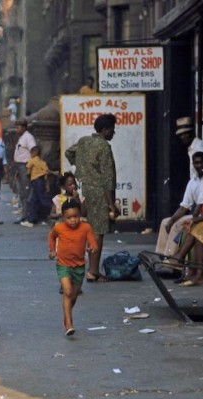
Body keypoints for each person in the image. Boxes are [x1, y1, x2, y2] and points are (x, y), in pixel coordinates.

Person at [65, 113, 119, 283]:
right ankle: (93, 271)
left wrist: (81, 167)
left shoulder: (83, 141)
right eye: (112, 129)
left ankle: (90, 269)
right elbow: (107, 179)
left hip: (83, 190)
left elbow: (69, 153)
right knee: (98, 233)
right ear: (104, 130)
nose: (113, 133)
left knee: (87, 230)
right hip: (98, 193)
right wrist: (111, 205)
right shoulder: (104, 147)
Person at [48, 198, 98, 336]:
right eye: (69, 217)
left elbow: (93, 242)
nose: (73, 220)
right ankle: (69, 323)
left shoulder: (85, 227)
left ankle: (67, 314)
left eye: (76, 216)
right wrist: (52, 250)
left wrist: (93, 247)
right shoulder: (59, 228)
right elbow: (51, 237)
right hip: (63, 265)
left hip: (79, 267)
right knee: (68, 291)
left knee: (73, 296)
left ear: (80, 215)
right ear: (63, 217)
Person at [155, 152, 203, 258]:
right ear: (193, 164)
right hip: (195, 213)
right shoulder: (193, 181)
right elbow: (184, 206)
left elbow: (202, 205)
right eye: (197, 163)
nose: (200, 165)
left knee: (178, 225)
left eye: (202, 162)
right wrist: (172, 219)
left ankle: (171, 258)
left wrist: (183, 220)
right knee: (165, 222)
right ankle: (161, 255)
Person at [21, 145, 53, 227]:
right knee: (34, 200)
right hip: (41, 181)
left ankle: (54, 208)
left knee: (41, 199)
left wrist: (28, 176)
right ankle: (32, 219)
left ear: (34, 153)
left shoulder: (32, 160)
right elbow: (46, 173)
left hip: (35, 181)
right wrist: (47, 185)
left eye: (31, 153)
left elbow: (28, 172)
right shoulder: (43, 162)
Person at [12, 118, 37, 223]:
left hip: (25, 166)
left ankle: (28, 216)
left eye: (18, 128)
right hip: (19, 167)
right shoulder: (22, 138)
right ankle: (24, 215)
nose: (16, 130)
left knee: (27, 192)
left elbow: (34, 150)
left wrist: (30, 166)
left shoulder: (28, 137)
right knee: (22, 192)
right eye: (16, 128)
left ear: (24, 128)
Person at [175, 116, 203, 181]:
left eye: (185, 133)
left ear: (192, 132)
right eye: (181, 134)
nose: (182, 137)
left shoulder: (200, 147)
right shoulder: (191, 148)